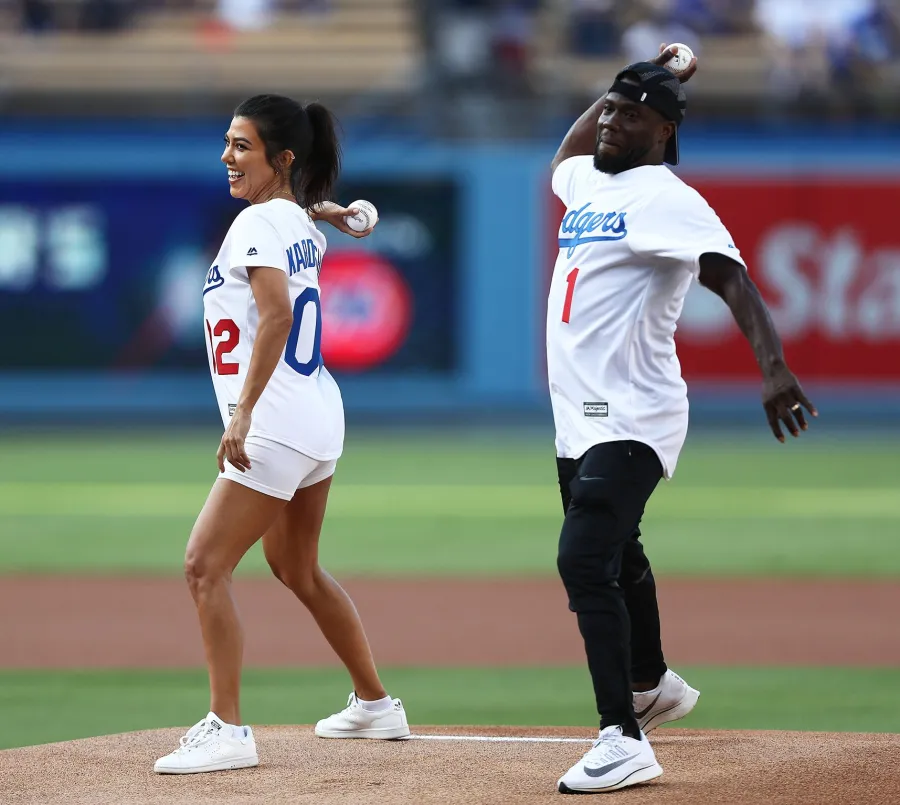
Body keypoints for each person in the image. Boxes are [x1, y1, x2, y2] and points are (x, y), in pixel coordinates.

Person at [548, 47, 817, 794]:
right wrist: (631, 73)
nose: (610, 122)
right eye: (608, 109)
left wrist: (773, 366)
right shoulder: (588, 181)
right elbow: (565, 156)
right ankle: (651, 684)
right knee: (617, 547)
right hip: (581, 414)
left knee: (583, 559)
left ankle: (622, 736)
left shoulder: (668, 197)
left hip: (635, 412)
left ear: (665, 131)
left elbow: (730, 277)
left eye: (630, 115)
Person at [154, 94, 409, 775]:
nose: (227, 156)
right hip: (318, 413)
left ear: (282, 157)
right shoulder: (293, 221)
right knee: (296, 567)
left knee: (204, 565)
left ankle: (227, 728)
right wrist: (328, 211)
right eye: (227, 142)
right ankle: (375, 704)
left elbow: (275, 317)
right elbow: (301, 221)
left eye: (242, 145)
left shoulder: (257, 222)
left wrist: (243, 413)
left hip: (273, 420)